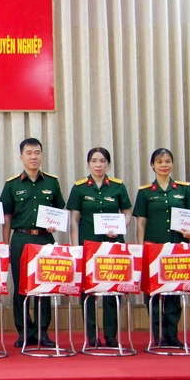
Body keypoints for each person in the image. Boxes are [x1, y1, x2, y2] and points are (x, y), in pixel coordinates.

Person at [0, 138, 65, 348]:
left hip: (45, 239)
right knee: (21, 287)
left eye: (37, 153)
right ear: (21, 157)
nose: (33, 157)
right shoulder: (12, 184)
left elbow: (59, 210)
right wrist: (5, 245)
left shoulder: (52, 182)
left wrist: (55, 224)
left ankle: (43, 332)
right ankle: (24, 332)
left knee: (44, 286)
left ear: (41, 155)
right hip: (21, 238)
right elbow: (6, 217)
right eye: (29, 153)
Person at [134, 148, 190, 348]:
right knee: (153, 294)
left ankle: (172, 334)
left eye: (167, 161)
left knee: (174, 293)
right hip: (153, 249)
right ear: (152, 165)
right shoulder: (145, 192)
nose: (164, 165)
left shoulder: (184, 190)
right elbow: (141, 223)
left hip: (176, 249)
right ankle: (158, 335)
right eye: (159, 161)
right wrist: (140, 249)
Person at [66, 147, 132, 348]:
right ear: (88, 164)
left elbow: (128, 212)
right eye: (94, 161)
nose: (98, 165)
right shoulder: (79, 188)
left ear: (108, 164)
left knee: (112, 291)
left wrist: (120, 227)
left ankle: (111, 335)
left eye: (102, 161)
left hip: (113, 246)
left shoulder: (118, 186)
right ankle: (92, 335)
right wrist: (76, 247)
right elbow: (74, 220)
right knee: (89, 292)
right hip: (89, 246)